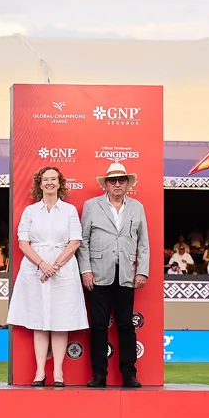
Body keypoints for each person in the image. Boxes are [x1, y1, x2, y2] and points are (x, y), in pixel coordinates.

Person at [6, 166, 88, 386]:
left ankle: (58, 373)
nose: (49, 182)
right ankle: (40, 372)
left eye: (53, 179)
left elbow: (75, 241)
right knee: (39, 320)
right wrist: (42, 265)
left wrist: (55, 266)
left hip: (64, 269)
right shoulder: (30, 211)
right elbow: (23, 243)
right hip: (35, 269)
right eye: (45, 179)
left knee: (61, 320)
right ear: (39, 184)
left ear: (60, 183)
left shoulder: (69, 210)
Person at [76, 161, 150, 388]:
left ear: (127, 183)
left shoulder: (137, 207)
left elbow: (143, 243)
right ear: (106, 184)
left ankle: (129, 374)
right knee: (98, 326)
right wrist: (86, 270)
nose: (117, 184)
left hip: (126, 274)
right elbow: (83, 241)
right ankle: (99, 374)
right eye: (113, 180)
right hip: (97, 275)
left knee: (126, 326)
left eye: (121, 180)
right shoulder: (91, 206)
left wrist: (142, 271)